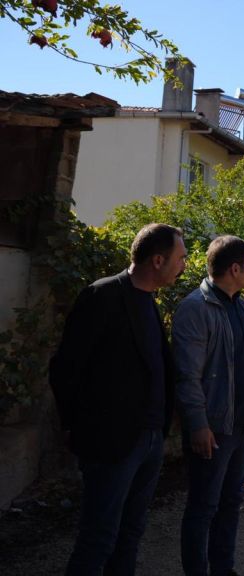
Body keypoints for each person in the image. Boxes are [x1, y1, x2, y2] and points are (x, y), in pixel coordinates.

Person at [50, 223, 187, 575]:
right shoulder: (103, 295)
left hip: (150, 439)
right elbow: (67, 369)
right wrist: (75, 427)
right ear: (158, 260)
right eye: (181, 257)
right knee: (98, 538)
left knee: (130, 533)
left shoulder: (148, 301)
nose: (184, 265)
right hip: (111, 441)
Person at [174, 235, 244, 576]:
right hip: (214, 429)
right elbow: (187, 376)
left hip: (243, 423)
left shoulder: (240, 304)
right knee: (203, 507)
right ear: (234, 268)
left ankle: (222, 568)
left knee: (231, 502)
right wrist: (198, 425)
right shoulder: (195, 309)